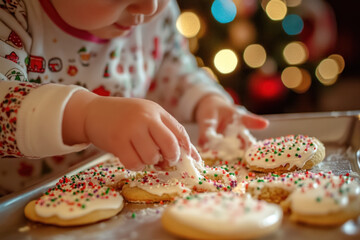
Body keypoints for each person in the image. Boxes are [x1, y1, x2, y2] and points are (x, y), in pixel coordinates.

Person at [0, 0, 268, 195]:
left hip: (109, 192)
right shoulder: (11, 14)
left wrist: (207, 100)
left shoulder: (154, 14)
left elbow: (173, 69)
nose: (149, 7)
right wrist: (86, 116)